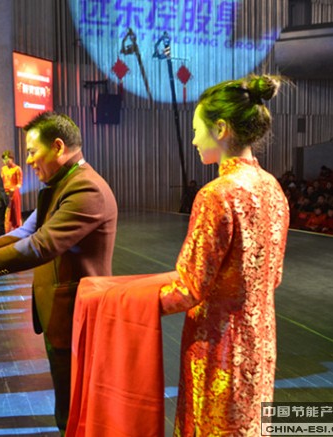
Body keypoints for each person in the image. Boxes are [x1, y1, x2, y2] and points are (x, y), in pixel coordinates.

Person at [69, 75, 289, 436]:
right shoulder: (273, 189)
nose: (194, 140)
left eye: (197, 130)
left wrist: (115, 302)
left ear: (221, 129)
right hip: (260, 341)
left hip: (217, 347)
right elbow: (273, 276)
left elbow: (189, 289)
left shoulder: (217, 195)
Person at [0, 111, 118, 435]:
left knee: (77, 408)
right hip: (61, 316)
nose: (29, 160)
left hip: (78, 317)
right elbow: (24, 232)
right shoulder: (62, 184)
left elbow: (41, 245)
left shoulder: (86, 188)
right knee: (67, 404)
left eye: (33, 151)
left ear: (58, 147)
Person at [1, 150, 23, 231]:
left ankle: (17, 230)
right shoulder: (3, 169)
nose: (6, 161)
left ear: (12, 158)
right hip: (5, 194)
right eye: (4, 159)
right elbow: (2, 181)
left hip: (14, 194)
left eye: (7, 159)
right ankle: (7, 230)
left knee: (15, 212)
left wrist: (13, 189)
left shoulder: (17, 169)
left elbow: (20, 183)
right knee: (7, 213)